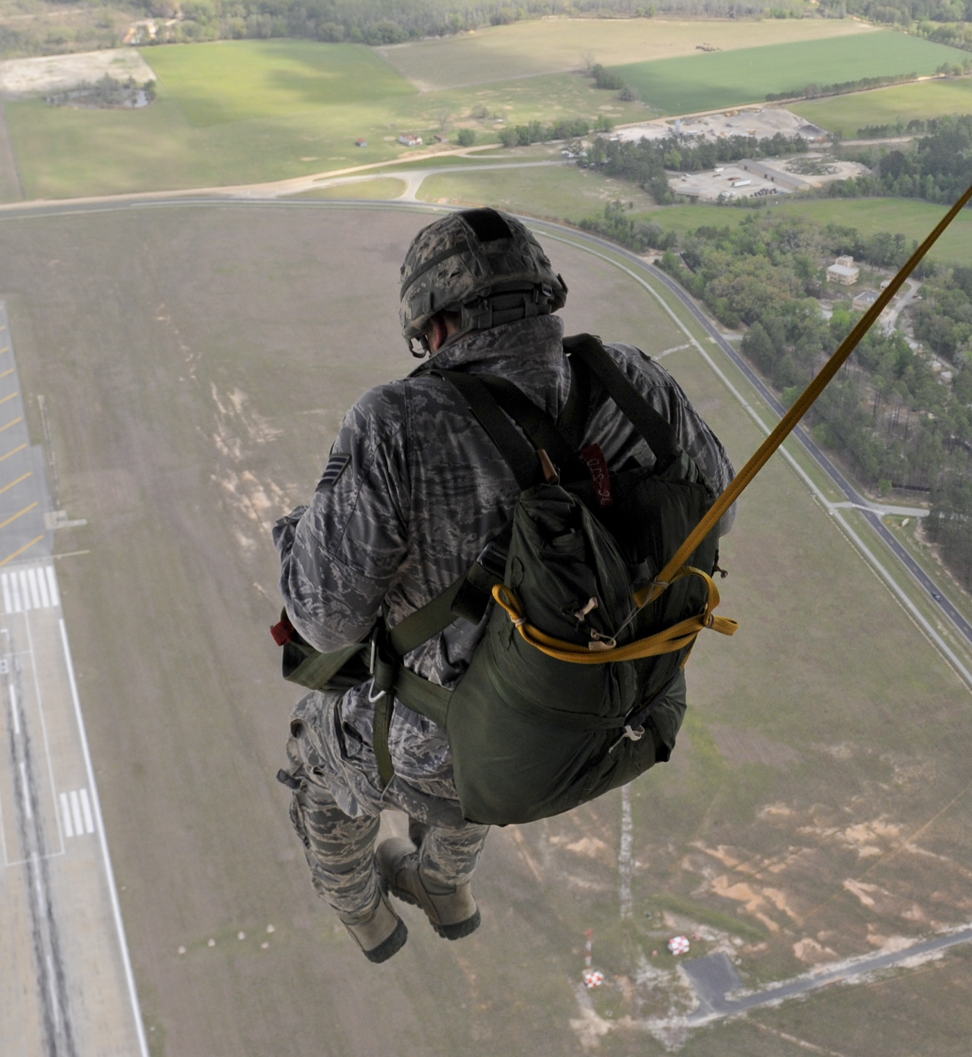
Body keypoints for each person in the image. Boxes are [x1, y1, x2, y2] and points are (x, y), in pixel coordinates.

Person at [272, 208, 734, 962]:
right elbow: (715, 515)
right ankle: (443, 885)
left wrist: (303, 526)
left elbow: (323, 621)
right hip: (601, 713)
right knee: (500, 686)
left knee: (319, 751)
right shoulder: (637, 382)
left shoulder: (399, 422)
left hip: (458, 743)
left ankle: (364, 913)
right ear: (542, 294)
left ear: (435, 324)